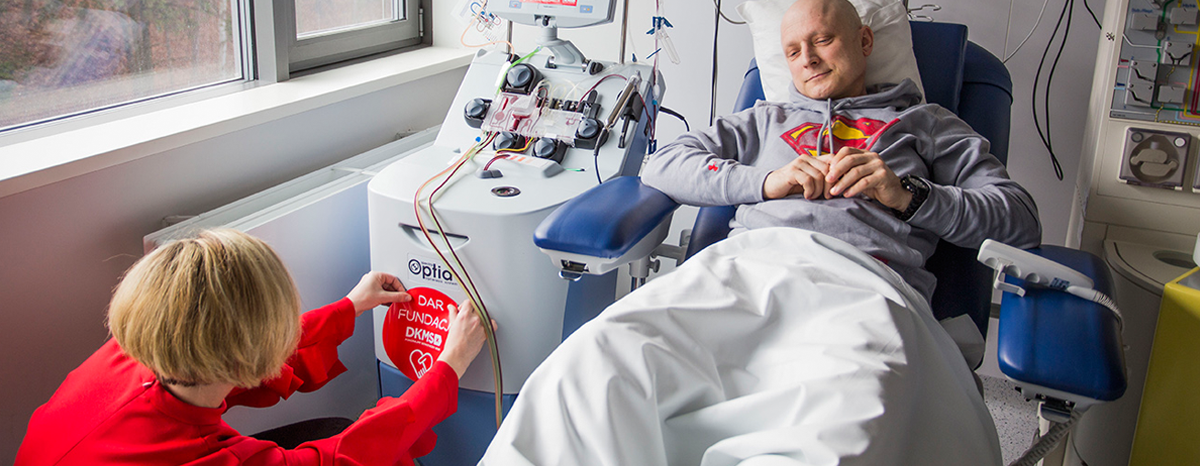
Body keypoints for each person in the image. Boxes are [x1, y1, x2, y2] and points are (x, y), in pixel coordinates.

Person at [642, 0, 1041, 303]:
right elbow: (663, 165)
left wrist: (908, 196)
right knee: (618, 354)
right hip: (747, 274)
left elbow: (1020, 220)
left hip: (864, 288)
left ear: (864, 41)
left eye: (822, 40)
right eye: (793, 52)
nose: (808, 60)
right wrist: (766, 181)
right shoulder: (762, 119)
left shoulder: (925, 122)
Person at [16, 228, 491, 465]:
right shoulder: (206, 456)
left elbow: (226, 342)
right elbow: (341, 457)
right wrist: (448, 366)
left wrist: (350, 306)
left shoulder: (140, 346)